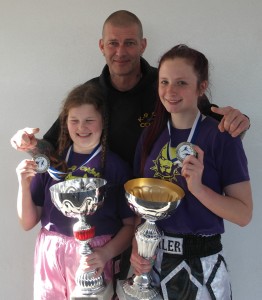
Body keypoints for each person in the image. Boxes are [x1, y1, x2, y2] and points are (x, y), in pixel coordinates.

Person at [10, 10, 250, 168]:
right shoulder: (88, 94)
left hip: (160, 203)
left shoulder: (167, 86)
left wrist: (240, 122)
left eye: (130, 43)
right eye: (113, 43)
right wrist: (31, 145)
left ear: (143, 45)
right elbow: (52, 147)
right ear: (102, 46)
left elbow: (217, 126)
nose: (121, 52)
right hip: (103, 209)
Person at [129, 44, 253, 300]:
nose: (170, 91)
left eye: (181, 82)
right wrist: (137, 248)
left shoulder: (221, 137)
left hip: (201, 266)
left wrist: (198, 188)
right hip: (153, 264)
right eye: (164, 82)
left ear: (201, 86)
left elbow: (243, 214)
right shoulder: (150, 136)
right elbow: (140, 208)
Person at [16, 81, 135, 300]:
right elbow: (27, 222)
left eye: (89, 120)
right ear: (65, 123)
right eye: (74, 120)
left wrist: (106, 253)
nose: (82, 127)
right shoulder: (52, 164)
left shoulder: (115, 167)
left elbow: (130, 225)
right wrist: (23, 185)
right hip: (50, 253)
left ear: (103, 122)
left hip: (95, 256)